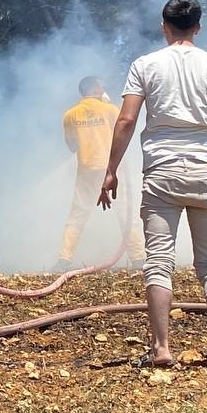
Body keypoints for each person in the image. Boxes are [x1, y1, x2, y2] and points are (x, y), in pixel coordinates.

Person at [100, 0, 207, 367]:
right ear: (197, 27)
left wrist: (111, 169)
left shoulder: (145, 64)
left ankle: (162, 349)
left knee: (159, 261)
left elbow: (127, 120)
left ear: (164, 26)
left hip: (162, 172)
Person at [56, 76, 145, 271]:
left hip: (87, 169)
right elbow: (124, 133)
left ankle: (64, 259)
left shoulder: (70, 115)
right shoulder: (112, 110)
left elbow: (72, 146)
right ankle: (138, 258)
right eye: (102, 85)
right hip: (112, 171)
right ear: (97, 89)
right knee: (125, 213)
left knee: (77, 214)